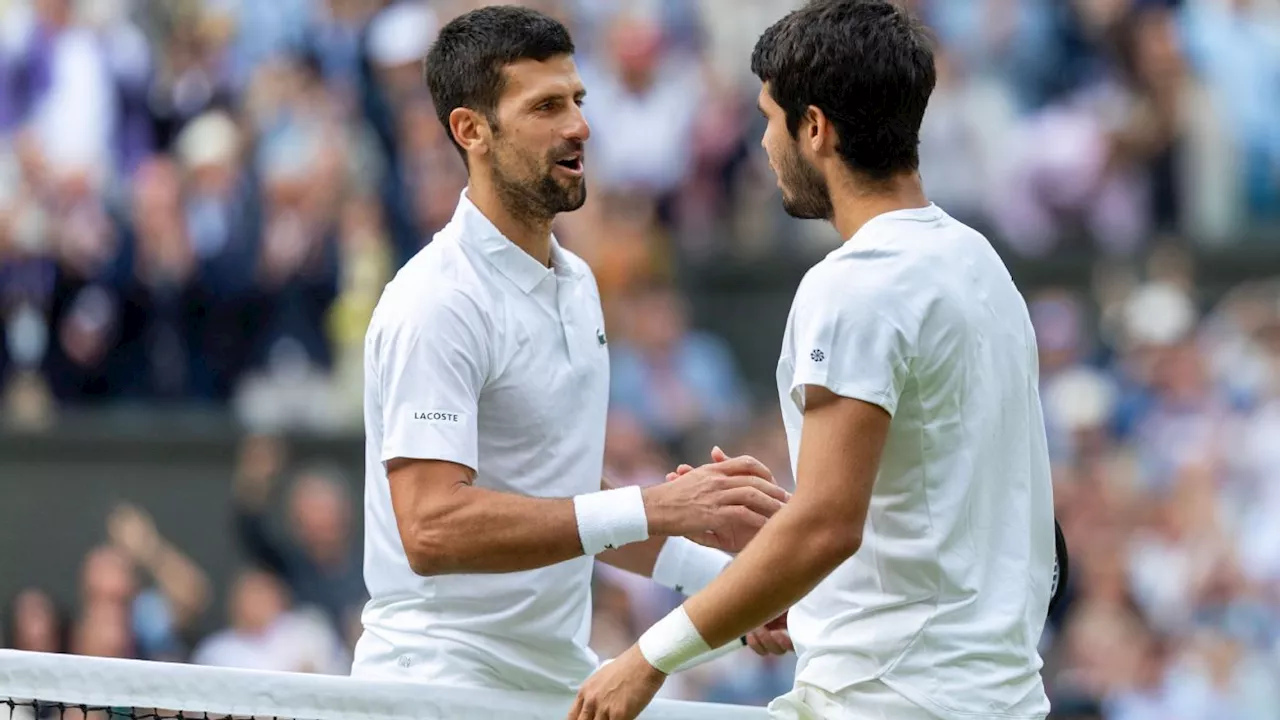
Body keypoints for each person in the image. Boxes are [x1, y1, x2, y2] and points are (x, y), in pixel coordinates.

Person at [570, 1, 1056, 719]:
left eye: (770, 118)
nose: (765, 144)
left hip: (888, 702)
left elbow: (829, 524)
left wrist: (649, 657)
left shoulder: (854, 282)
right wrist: (804, 592)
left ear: (816, 128)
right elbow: (930, 512)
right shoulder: (981, 265)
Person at [351, 5, 787, 694]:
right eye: (546, 106)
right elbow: (431, 529)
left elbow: (564, 496)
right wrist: (657, 506)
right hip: (437, 683)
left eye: (578, 100)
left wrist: (732, 584)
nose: (579, 124)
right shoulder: (435, 301)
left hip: (553, 678)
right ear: (472, 131)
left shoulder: (579, 283)